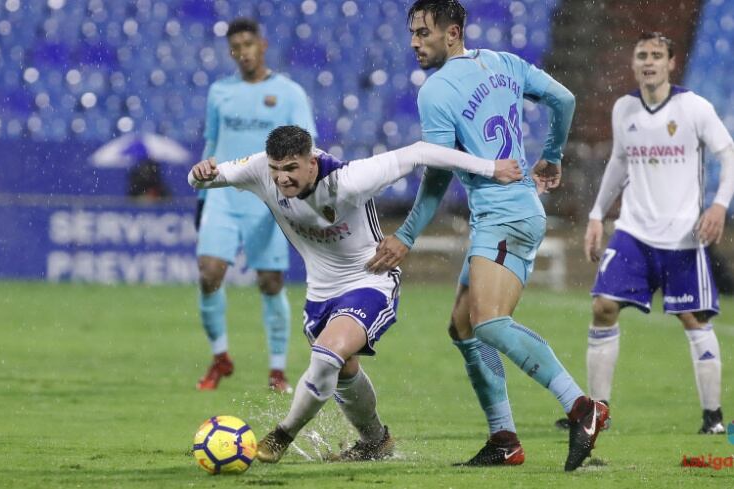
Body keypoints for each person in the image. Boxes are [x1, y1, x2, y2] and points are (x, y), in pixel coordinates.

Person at [188, 125, 523, 463]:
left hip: (369, 281)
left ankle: (281, 435)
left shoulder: (350, 179)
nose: (281, 179)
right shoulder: (261, 168)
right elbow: (205, 178)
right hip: (320, 292)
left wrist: (490, 168)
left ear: (311, 162)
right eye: (276, 170)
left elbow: (421, 150)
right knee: (343, 370)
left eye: (290, 169)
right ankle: (375, 441)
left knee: (327, 354)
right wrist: (197, 174)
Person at [365, 0, 606, 471]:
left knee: (489, 323)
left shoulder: (436, 91)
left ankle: (582, 407)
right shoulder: (503, 63)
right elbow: (565, 99)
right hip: (517, 209)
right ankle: (503, 440)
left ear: (452, 33)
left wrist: (407, 236)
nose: (414, 43)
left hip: (503, 217)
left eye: (423, 33)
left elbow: (437, 174)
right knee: (463, 326)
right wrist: (552, 154)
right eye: (412, 33)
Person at [554, 32, 734, 435]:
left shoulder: (693, 107)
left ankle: (713, 418)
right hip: (633, 232)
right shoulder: (625, 108)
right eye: (642, 55)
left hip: (682, 237)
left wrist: (720, 205)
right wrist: (598, 215)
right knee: (602, 306)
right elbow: (619, 162)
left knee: (694, 318)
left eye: (657, 55)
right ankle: (597, 413)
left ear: (672, 63)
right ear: (633, 64)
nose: (649, 61)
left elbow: (728, 153)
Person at [194, 18, 317, 392]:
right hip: (222, 196)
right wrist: (201, 196)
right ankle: (220, 357)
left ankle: (277, 371)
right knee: (209, 274)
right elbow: (212, 142)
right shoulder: (220, 92)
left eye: (248, 43)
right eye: (236, 46)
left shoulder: (290, 93)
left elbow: (306, 147)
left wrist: (298, 195)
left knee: (269, 281)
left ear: (262, 45)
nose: (243, 52)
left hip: (267, 201)